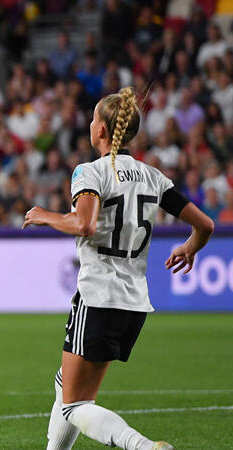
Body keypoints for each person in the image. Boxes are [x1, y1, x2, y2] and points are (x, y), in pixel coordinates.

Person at [23, 86, 214, 450]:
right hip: (134, 303)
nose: (91, 122)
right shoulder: (152, 176)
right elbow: (205, 225)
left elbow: (85, 225)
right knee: (67, 385)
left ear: (102, 131)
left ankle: (141, 446)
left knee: (74, 405)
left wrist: (45, 216)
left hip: (97, 297)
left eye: (95, 117)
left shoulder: (90, 172)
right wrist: (190, 247)